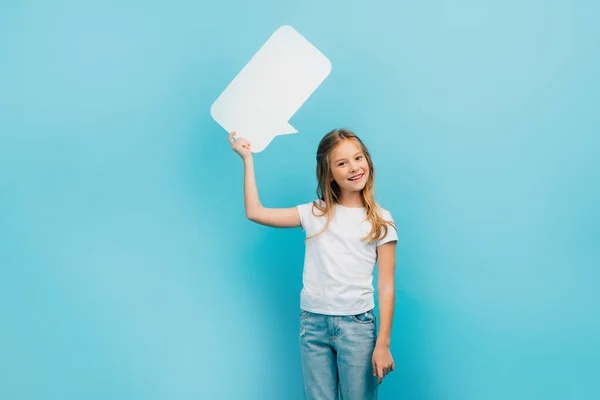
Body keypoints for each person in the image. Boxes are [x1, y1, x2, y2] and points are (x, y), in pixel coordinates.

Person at [228, 128, 398, 400]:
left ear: (367, 161)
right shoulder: (314, 213)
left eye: (358, 158)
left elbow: (387, 285)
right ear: (329, 173)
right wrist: (247, 160)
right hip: (313, 323)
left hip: (357, 326)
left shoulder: (381, 220)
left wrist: (383, 344)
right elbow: (255, 212)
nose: (354, 168)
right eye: (342, 163)